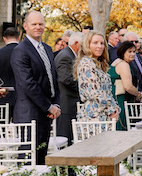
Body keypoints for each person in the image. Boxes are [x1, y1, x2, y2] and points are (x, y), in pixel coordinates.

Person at [11, 11, 60, 163]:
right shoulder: (20, 51)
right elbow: (28, 84)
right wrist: (48, 106)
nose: (38, 27)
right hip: (29, 112)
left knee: (41, 158)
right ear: (25, 26)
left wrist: (55, 104)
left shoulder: (47, 48)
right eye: (34, 24)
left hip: (46, 113)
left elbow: (53, 79)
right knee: (28, 159)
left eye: (41, 24)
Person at [74, 32, 120, 122]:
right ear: (87, 45)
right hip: (94, 116)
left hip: (104, 114)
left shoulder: (97, 64)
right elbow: (95, 93)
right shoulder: (86, 63)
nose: (99, 46)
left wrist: (115, 108)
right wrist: (112, 109)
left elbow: (106, 92)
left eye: (102, 43)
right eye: (95, 43)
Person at [54, 31, 83, 143]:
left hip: (70, 102)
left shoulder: (69, 55)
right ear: (76, 43)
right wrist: (83, 86)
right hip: (66, 103)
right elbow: (65, 79)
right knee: (64, 138)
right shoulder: (65, 56)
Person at [109, 40, 142, 129]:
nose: (132, 54)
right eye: (129, 51)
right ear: (122, 51)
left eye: (134, 52)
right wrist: (138, 94)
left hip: (114, 98)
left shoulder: (116, 62)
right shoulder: (123, 65)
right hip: (121, 100)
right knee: (122, 127)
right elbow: (128, 86)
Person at [0, 26, 20, 121]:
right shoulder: (25, 52)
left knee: (3, 128)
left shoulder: (1, 53)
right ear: (19, 37)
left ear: (4, 39)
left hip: (4, 96)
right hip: (22, 97)